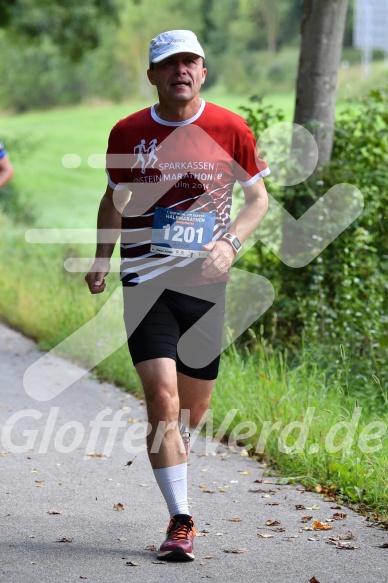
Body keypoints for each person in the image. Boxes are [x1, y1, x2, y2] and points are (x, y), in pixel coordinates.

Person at [85, 29, 270, 562]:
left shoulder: (230, 128)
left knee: (192, 410)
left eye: (190, 62)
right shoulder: (129, 131)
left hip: (205, 286)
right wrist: (102, 257)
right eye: (170, 64)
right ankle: (181, 520)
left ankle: (177, 459)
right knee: (161, 399)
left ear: (203, 71)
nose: (181, 71)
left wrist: (231, 243)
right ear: (153, 76)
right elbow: (114, 198)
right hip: (145, 283)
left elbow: (257, 199)